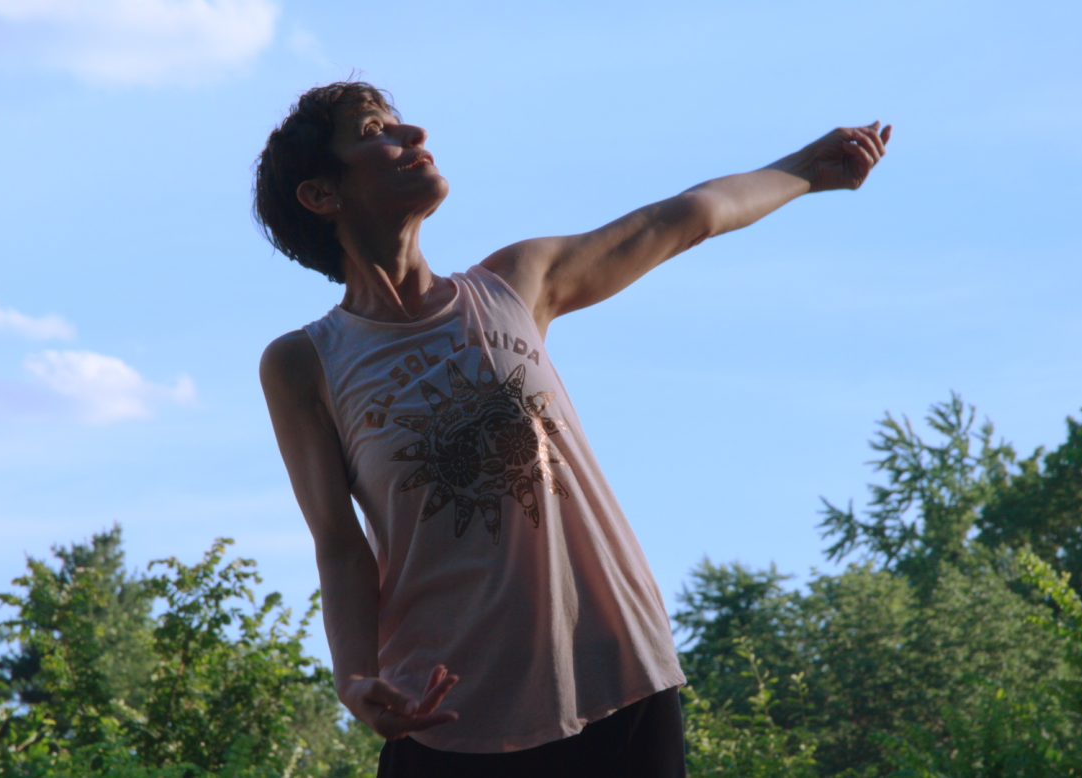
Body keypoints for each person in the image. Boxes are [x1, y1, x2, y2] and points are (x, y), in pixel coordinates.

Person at [254, 81, 890, 778]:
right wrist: (353, 681)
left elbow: (686, 216)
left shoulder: (515, 285)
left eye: (401, 124)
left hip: (614, 681)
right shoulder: (305, 364)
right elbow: (340, 548)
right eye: (375, 130)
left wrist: (804, 169)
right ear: (322, 195)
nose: (414, 137)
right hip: (442, 715)